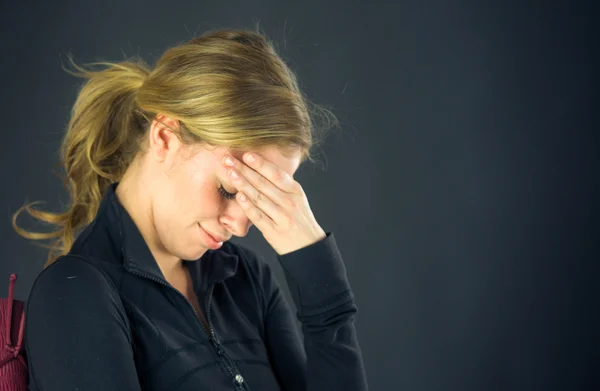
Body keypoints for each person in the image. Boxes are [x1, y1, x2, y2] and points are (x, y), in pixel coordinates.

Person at [12, 27, 368, 391]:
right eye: (230, 189)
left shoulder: (247, 280)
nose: (242, 225)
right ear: (165, 137)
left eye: (263, 193)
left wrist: (320, 281)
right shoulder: (73, 295)